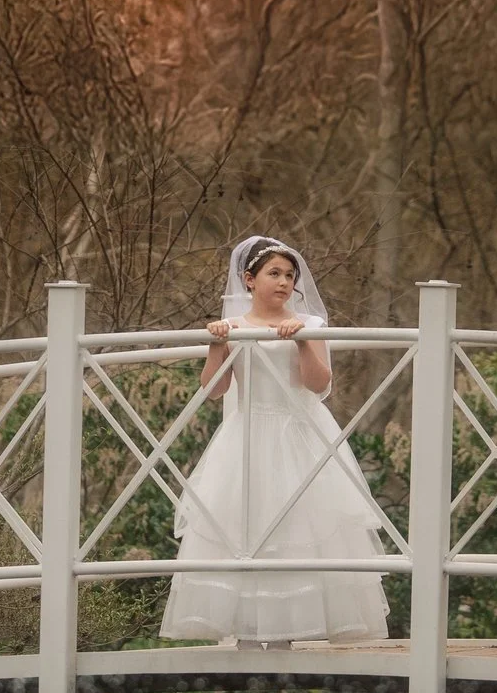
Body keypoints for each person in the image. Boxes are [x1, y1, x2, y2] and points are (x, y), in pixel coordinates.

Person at [160, 236, 391, 648]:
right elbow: (214, 389)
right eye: (274, 274)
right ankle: (247, 634)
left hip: (300, 436)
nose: (283, 282)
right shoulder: (231, 327)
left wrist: (301, 340)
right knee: (245, 527)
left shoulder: (311, 326)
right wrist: (218, 342)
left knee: (299, 530)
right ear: (249, 280)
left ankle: (288, 635)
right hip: (247, 436)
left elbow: (319, 385)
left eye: (289, 276)